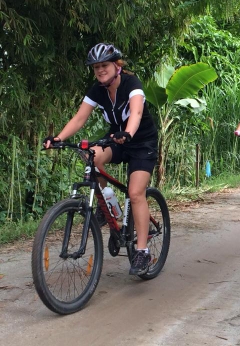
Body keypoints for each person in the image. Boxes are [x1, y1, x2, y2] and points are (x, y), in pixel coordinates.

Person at [43, 43, 158, 276]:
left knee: (136, 193)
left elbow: (135, 113)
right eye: (96, 67)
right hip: (117, 139)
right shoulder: (97, 90)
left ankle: (143, 251)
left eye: (104, 65)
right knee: (90, 154)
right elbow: (79, 118)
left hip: (141, 141)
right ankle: (108, 204)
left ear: (117, 65)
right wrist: (58, 138)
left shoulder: (131, 84)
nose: (100, 70)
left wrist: (128, 133)